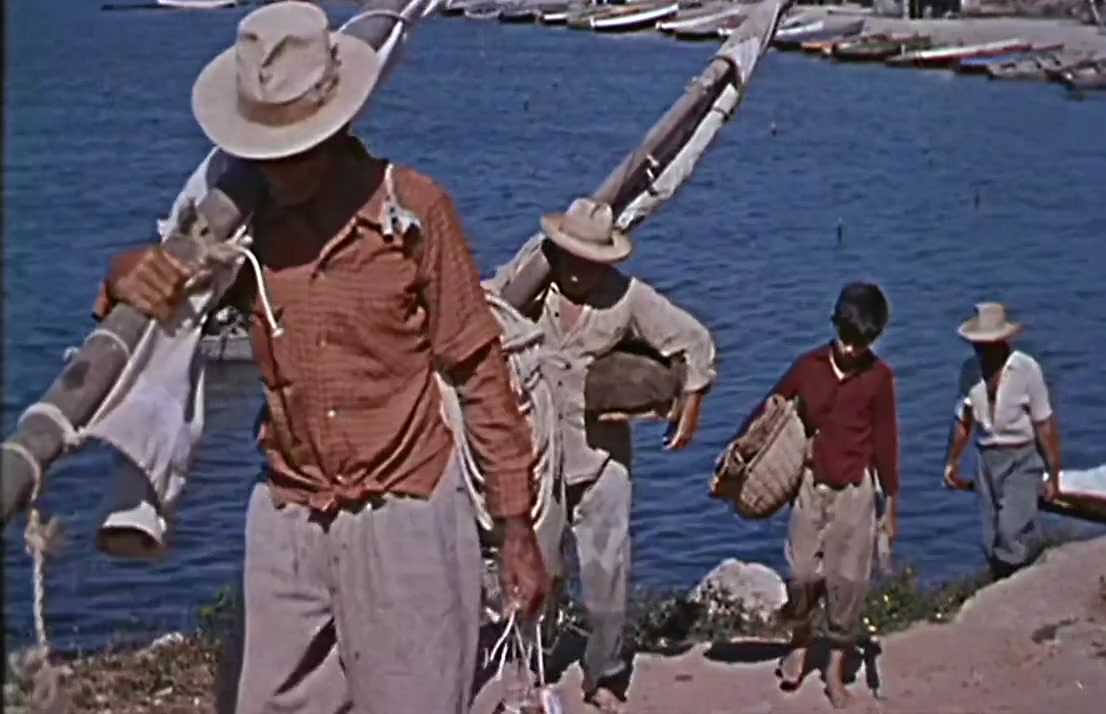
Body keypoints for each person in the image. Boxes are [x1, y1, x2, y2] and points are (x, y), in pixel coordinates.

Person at [93, 3, 548, 712]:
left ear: (337, 126)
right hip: (290, 511)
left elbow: (478, 370)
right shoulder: (240, 227)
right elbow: (164, 299)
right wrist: (125, 277)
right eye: (265, 147)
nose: (280, 166)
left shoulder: (414, 212)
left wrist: (515, 526)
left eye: (296, 146)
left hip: (405, 510)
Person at [487, 197, 717, 712]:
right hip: (538, 457)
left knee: (607, 573)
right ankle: (530, 664)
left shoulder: (628, 298)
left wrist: (690, 408)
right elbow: (483, 304)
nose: (578, 271)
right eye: (571, 257)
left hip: (601, 460)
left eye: (591, 262)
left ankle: (604, 673)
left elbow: (694, 341)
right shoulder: (533, 284)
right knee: (538, 567)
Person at [745, 282, 899, 710]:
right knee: (800, 572)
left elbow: (886, 442)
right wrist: (740, 458)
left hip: (856, 490)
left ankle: (834, 665)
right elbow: (769, 412)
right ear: (835, 326)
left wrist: (891, 506)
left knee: (848, 582)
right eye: (846, 338)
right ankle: (799, 640)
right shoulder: (808, 367)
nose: (850, 349)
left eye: (860, 342)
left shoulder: (880, 379)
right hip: (811, 483)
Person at [942, 302, 1063, 580]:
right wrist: (952, 462)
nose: (982, 350)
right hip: (986, 459)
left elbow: (1044, 424)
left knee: (1011, 529)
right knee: (991, 536)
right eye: (978, 344)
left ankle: (1018, 580)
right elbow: (963, 420)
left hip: (1022, 457)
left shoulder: (1026, 369)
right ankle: (1011, 577)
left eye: (988, 344)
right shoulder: (969, 371)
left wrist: (1053, 473)